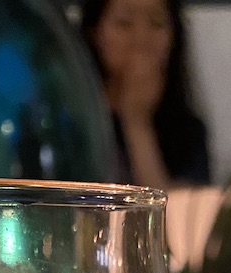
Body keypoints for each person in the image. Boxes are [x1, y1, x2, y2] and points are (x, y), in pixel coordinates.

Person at [81, 0, 211, 189]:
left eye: (156, 23)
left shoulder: (188, 131)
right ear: (95, 31)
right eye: (124, 23)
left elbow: (178, 205)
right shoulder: (71, 122)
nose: (141, 39)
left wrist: (137, 122)